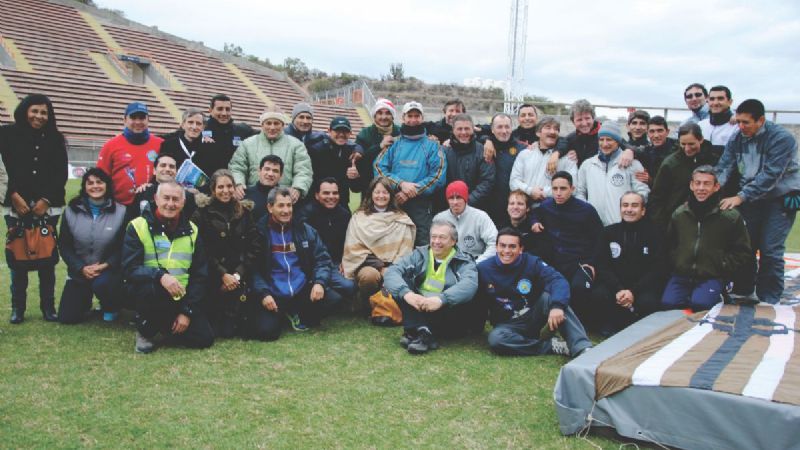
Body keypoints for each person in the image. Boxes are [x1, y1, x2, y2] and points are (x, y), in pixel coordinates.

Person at [716, 99, 800, 303]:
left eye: (746, 122)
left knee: (770, 249)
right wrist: (711, 188)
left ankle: (769, 297)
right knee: (745, 245)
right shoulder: (738, 137)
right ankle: (744, 290)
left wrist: (740, 196)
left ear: (761, 120)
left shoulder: (782, 139)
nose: (741, 127)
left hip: (780, 197)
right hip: (751, 198)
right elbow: (725, 166)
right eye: (739, 122)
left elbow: (771, 175)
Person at [123, 181, 214, 353]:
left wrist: (187, 312)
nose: (170, 204)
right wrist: (160, 276)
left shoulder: (192, 230)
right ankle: (145, 330)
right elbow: (130, 269)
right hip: (150, 291)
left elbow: (199, 275)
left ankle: (166, 325)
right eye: (166, 198)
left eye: (175, 199)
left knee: (204, 339)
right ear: (156, 199)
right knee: (150, 289)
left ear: (183, 202)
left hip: (181, 296)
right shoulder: (137, 226)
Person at [1, 94, 68, 324]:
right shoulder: (6, 134)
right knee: (18, 256)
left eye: (44, 113)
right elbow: (3, 169)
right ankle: (18, 308)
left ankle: (48, 307)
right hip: (15, 206)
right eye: (35, 111)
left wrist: (46, 200)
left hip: (48, 208)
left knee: (46, 257)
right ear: (24, 110)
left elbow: (61, 173)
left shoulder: (56, 139)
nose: (39, 116)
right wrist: (13, 196)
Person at [478, 228, 592, 357]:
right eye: (502, 246)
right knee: (496, 340)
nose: (507, 251)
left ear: (521, 249)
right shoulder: (483, 268)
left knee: (551, 298)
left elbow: (557, 280)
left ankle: (582, 347)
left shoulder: (532, 262)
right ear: (496, 247)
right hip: (508, 324)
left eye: (512, 246)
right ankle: (552, 346)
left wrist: (557, 306)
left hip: (534, 314)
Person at [248, 187, 340, 340]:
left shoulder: (304, 229)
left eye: (289, 205)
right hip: (273, 292)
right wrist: (263, 293)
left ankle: (296, 311)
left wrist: (319, 282)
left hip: (301, 289)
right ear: (270, 208)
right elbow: (252, 268)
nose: (286, 210)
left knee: (334, 299)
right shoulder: (259, 232)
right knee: (267, 333)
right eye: (281, 205)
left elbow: (322, 258)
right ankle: (282, 313)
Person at [383, 220, 480, 355]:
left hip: (447, 311)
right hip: (421, 307)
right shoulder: (419, 254)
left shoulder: (464, 261)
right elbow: (392, 272)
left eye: (442, 237)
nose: (436, 241)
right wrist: (407, 294)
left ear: (453, 241)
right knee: (402, 283)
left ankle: (414, 331)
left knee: (462, 297)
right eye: (433, 237)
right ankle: (423, 333)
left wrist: (441, 300)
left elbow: (469, 285)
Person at [662, 166, 751, 311]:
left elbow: (742, 250)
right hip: (683, 274)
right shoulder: (680, 214)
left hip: (712, 275)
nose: (701, 188)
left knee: (701, 305)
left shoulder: (730, 216)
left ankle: (721, 292)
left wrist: (721, 265)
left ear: (716, 187)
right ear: (691, 185)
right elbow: (671, 244)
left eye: (707, 183)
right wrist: (678, 262)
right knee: (669, 304)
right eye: (697, 183)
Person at [531, 172, 603, 327]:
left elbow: (599, 239)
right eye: (555, 188)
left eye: (563, 188)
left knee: (578, 288)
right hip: (556, 261)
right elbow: (535, 212)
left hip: (579, 262)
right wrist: (535, 222)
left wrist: (591, 263)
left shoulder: (586, 210)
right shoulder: (546, 206)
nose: (558, 193)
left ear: (572, 188)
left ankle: (580, 325)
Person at [192, 169, 258, 338]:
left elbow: (254, 246)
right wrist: (222, 274)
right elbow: (200, 249)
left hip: (239, 275)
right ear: (213, 190)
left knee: (230, 332)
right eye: (220, 187)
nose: (226, 191)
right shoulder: (201, 214)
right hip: (212, 275)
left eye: (230, 186)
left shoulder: (245, 212)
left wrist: (237, 274)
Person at [57, 168, 127, 324]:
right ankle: (84, 301)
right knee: (67, 318)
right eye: (90, 183)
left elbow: (123, 247)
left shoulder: (121, 212)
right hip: (80, 271)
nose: (95, 186)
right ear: (85, 187)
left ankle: (111, 306)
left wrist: (105, 265)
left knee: (103, 284)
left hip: (107, 273)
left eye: (99, 182)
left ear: (107, 185)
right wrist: (80, 268)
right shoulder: (70, 211)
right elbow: (64, 245)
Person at [342, 177, 416, 321]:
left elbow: (405, 250)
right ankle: (368, 306)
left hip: (395, 265)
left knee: (399, 277)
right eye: (377, 192)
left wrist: (392, 268)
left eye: (385, 192)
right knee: (369, 276)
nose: (381, 196)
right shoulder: (359, 217)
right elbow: (354, 249)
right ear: (370, 194)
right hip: (367, 265)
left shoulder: (401, 218)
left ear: (391, 195)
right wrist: (381, 266)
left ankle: (388, 307)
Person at [374, 101, 447, 247]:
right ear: (403, 118)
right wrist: (400, 184)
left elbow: (438, 175)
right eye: (410, 116)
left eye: (417, 116)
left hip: (421, 204)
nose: (413, 120)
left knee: (423, 243)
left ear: (422, 118)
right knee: (392, 243)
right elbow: (379, 168)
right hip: (394, 201)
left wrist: (411, 191)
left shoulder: (433, 145)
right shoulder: (393, 143)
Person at [592, 192, 664, 336]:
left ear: (643, 210)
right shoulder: (608, 233)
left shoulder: (654, 233)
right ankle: (608, 326)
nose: (629, 209)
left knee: (648, 302)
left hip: (641, 287)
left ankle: (638, 327)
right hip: (616, 286)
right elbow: (602, 265)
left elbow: (657, 268)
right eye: (625, 205)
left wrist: (633, 291)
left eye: (634, 205)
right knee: (599, 294)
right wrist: (618, 289)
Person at [295, 178, 356, 310]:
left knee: (349, 286)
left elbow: (350, 242)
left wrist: (345, 261)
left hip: (335, 263)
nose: (331, 197)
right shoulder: (305, 214)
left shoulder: (344, 214)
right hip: (313, 265)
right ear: (317, 195)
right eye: (326, 193)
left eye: (335, 193)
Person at [229, 107, 312, 203]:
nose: (272, 127)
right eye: (268, 123)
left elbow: (304, 170)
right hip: (253, 197)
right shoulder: (247, 144)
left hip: (284, 199)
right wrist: (238, 183)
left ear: (283, 125)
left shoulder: (296, 145)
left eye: (276, 123)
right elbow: (236, 167)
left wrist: (298, 188)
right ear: (262, 124)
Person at [575, 121, 650, 226]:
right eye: (601, 139)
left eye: (609, 139)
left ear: (618, 141)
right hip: (593, 226)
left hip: (622, 226)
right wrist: (586, 211)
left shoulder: (633, 164)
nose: (605, 144)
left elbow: (642, 192)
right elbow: (580, 192)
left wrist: (630, 212)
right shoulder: (588, 165)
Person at [648, 123, 719, 229]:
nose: (687, 149)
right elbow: (657, 197)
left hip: (708, 219)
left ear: (701, 140)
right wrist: (662, 225)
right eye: (683, 144)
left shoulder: (713, 159)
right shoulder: (670, 164)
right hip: (677, 221)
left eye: (691, 144)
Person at [96, 102, 163, 205]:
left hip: (151, 206)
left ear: (148, 120)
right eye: (133, 117)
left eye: (141, 118)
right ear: (124, 120)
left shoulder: (160, 144)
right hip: (119, 207)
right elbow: (100, 178)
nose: (138, 122)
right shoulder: (110, 146)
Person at [509, 116, 577, 207]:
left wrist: (544, 192)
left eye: (556, 129)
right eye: (548, 127)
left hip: (552, 210)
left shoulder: (568, 158)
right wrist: (530, 191)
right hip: (524, 210)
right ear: (538, 133)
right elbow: (514, 182)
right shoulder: (524, 154)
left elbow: (573, 187)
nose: (552, 132)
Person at [433, 181, 497, 263]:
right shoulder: (439, 219)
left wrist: (478, 263)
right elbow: (433, 245)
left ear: (466, 199)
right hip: (447, 264)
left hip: (476, 263)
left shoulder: (481, 217)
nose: (455, 202)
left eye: (459, 197)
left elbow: (495, 243)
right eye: (451, 198)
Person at [160, 108, 232, 181]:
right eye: (190, 122)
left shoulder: (212, 147)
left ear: (203, 127)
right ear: (183, 125)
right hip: (174, 189)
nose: (194, 127)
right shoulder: (168, 145)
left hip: (203, 191)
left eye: (198, 124)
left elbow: (216, 176)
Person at [441, 113, 494, 211]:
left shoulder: (483, 151)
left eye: (467, 128)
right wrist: (453, 201)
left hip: (475, 208)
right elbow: (439, 180)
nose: (463, 132)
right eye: (459, 129)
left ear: (473, 129)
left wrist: (466, 201)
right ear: (453, 130)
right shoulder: (444, 151)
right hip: (448, 207)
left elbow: (487, 181)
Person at [307, 117, 363, 206]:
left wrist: (355, 177)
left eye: (345, 131)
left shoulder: (354, 153)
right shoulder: (317, 150)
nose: (341, 134)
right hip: (318, 203)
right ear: (329, 131)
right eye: (337, 130)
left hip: (342, 203)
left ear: (350, 133)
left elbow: (356, 188)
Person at [483, 113, 528, 223]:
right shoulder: (483, 146)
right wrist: (486, 140)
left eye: (507, 127)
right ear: (492, 130)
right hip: (488, 206)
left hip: (514, 208)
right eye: (499, 127)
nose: (504, 131)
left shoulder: (523, 149)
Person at [129, 154, 197, 219]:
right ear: (154, 171)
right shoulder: (143, 192)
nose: (167, 169)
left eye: (172, 166)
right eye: (163, 165)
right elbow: (130, 221)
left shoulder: (186, 196)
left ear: (176, 172)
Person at [355, 98, 400, 193]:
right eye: (380, 113)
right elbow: (360, 162)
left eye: (388, 113)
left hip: (396, 188)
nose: (384, 117)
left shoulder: (401, 133)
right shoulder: (365, 134)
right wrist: (379, 146)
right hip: (370, 187)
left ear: (393, 116)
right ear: (374, 116)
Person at [202, 93, 256, 165]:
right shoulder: (200, 130)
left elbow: (264, 135)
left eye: (227, 109)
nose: (224, 113)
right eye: (220, 109)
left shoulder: (242, 130)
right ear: (210, 110)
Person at [633, 116, 675, 184]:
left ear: (667, 132)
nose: (656, 135)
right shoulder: (646, 151)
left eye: (660, 131)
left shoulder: (678, 148)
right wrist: (629, 151)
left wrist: (651, 180)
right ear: (647, 133)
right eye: (652, 131)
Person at [698, 85, 738, 153]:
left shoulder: (737, 127)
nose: (715, 103)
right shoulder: (700, 125)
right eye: (712, 99)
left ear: (730, 102)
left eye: (720, 98)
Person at [244, 155, 282, 223]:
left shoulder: (285, 198)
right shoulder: (245, 195)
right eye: (267, 169)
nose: (270, 174)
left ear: (281, 175)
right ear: (259, 171)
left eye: (275, 171)